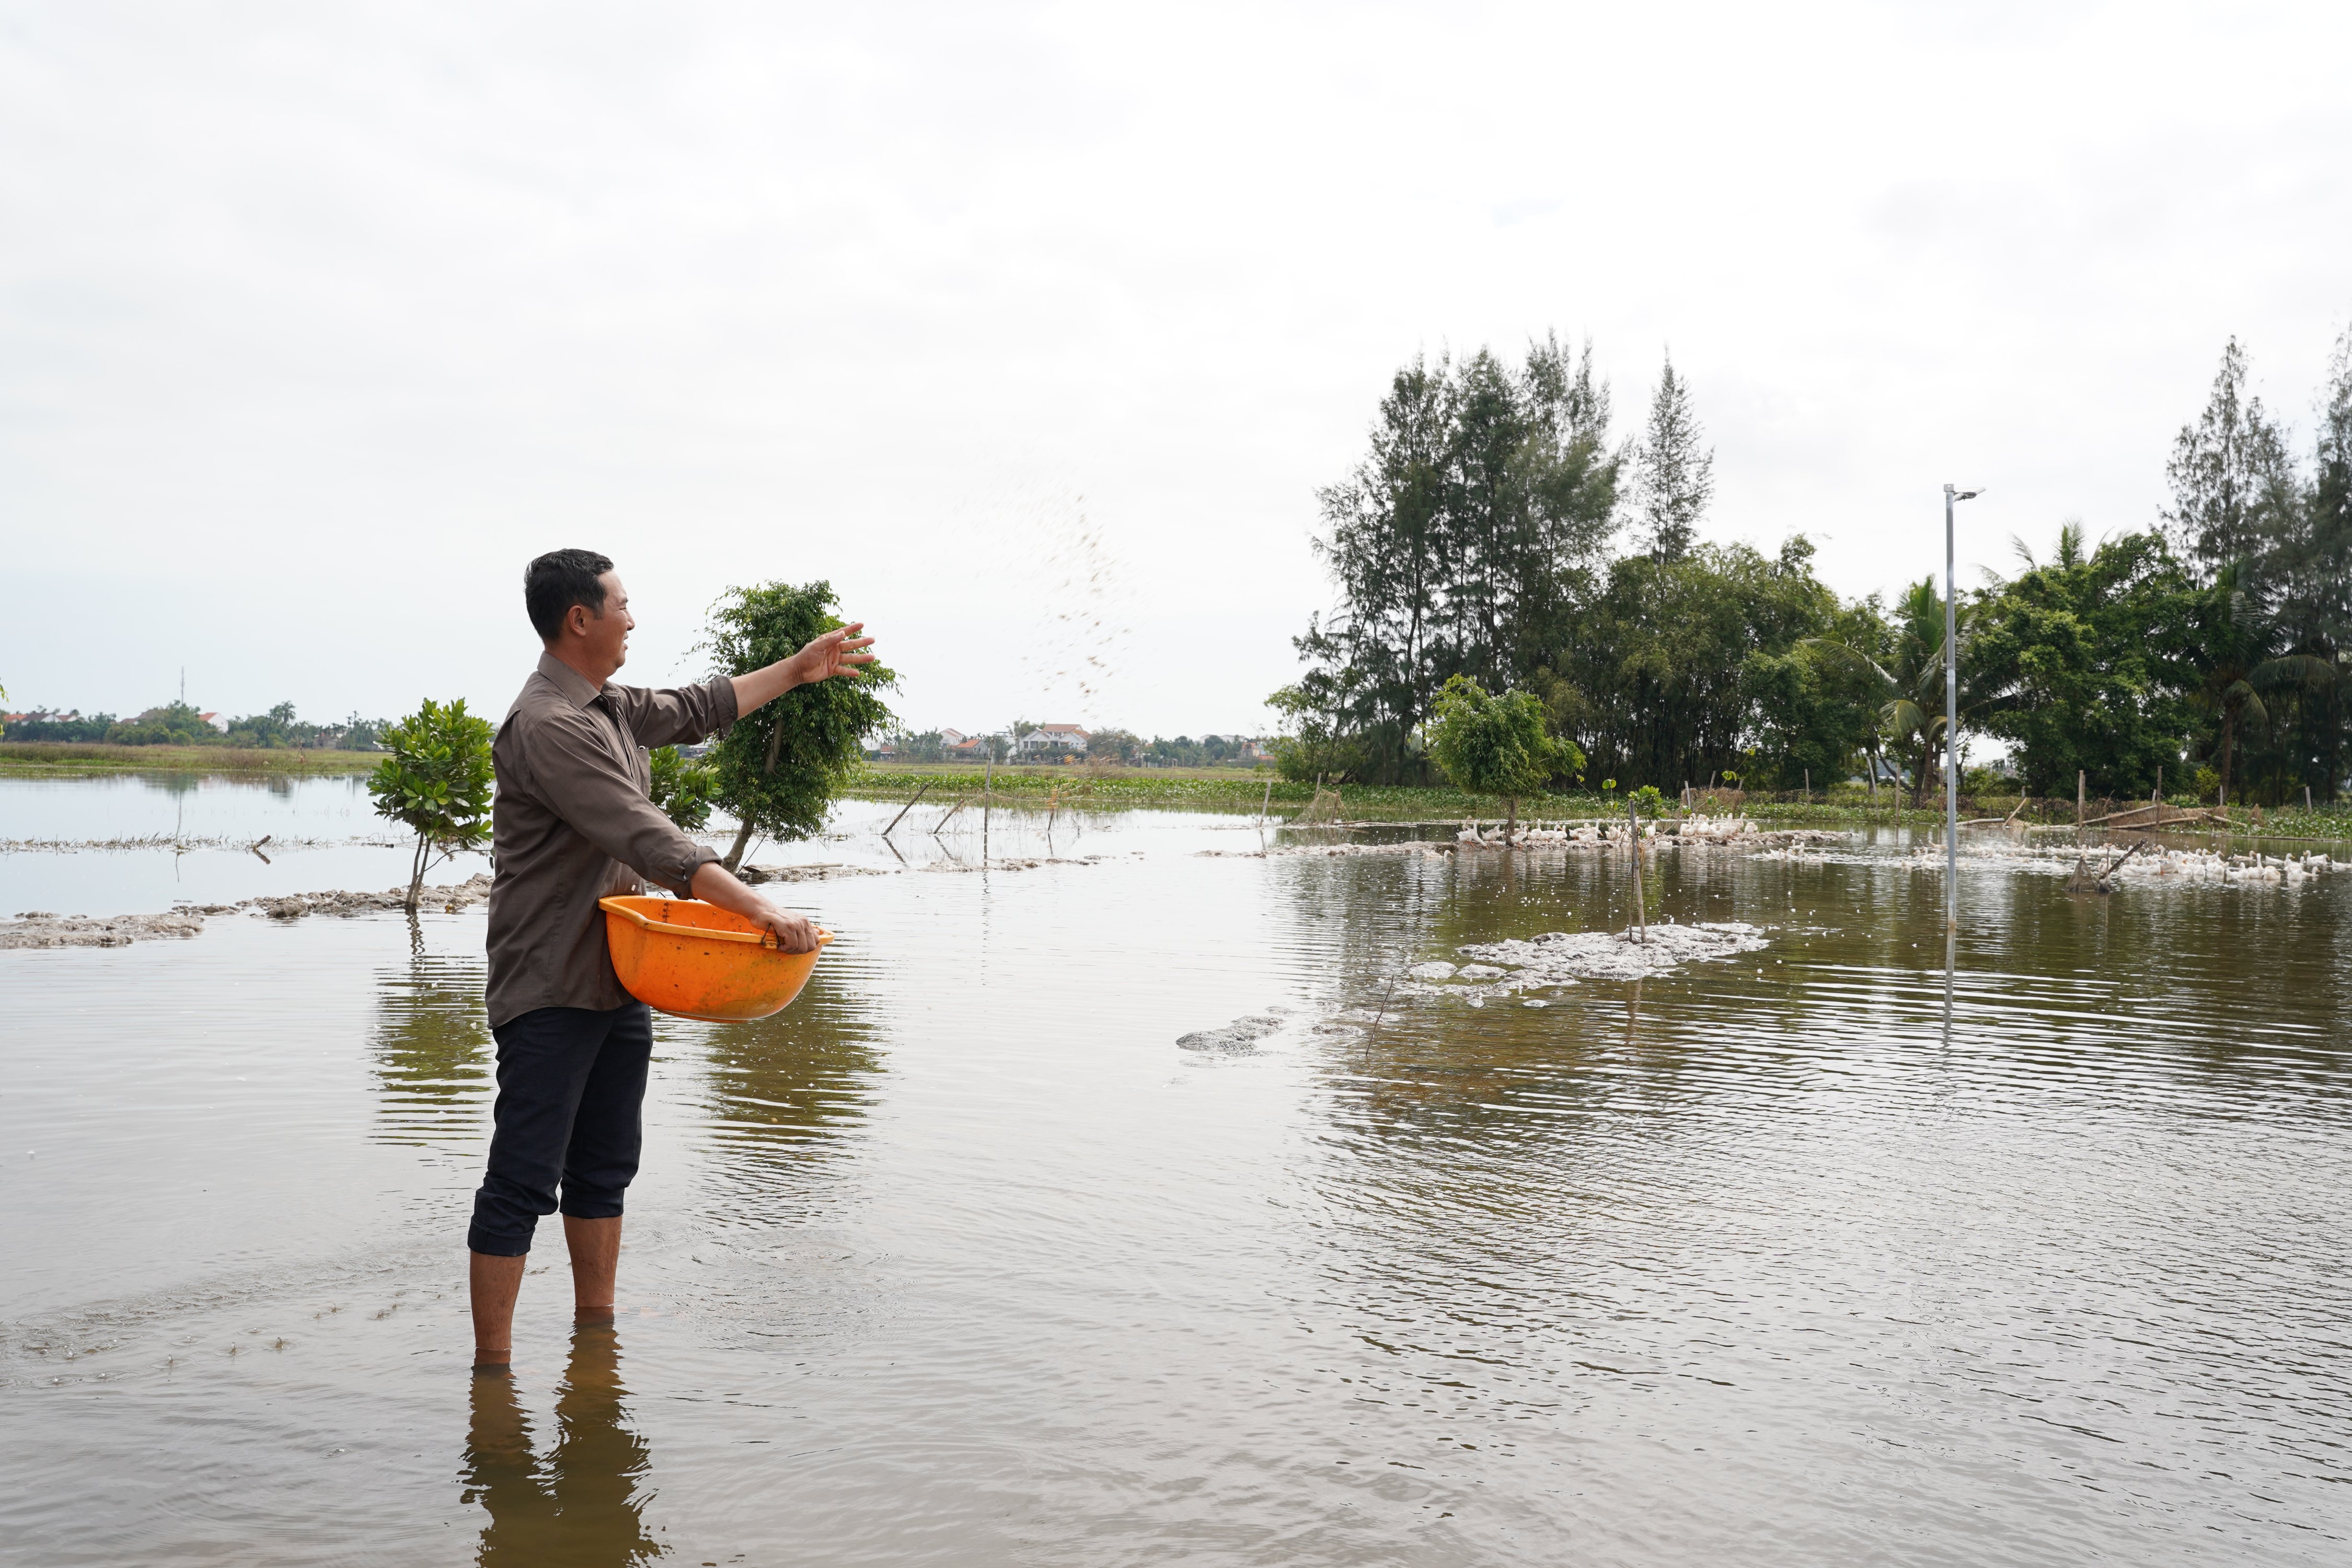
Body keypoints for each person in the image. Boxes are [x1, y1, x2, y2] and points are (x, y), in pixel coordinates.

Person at [469, 547, 874, 1373]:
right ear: (578, 619)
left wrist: (797, 672)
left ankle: (595, 1339)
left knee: (605, 1169)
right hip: (548, 985)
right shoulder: (550, 725)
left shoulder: (609, 708)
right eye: (621, 604)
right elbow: (646, 837)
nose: (630, 618)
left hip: (619, 978)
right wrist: (760, 908)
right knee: (521, 1181)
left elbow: (700, 706)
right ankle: (493, 1379)